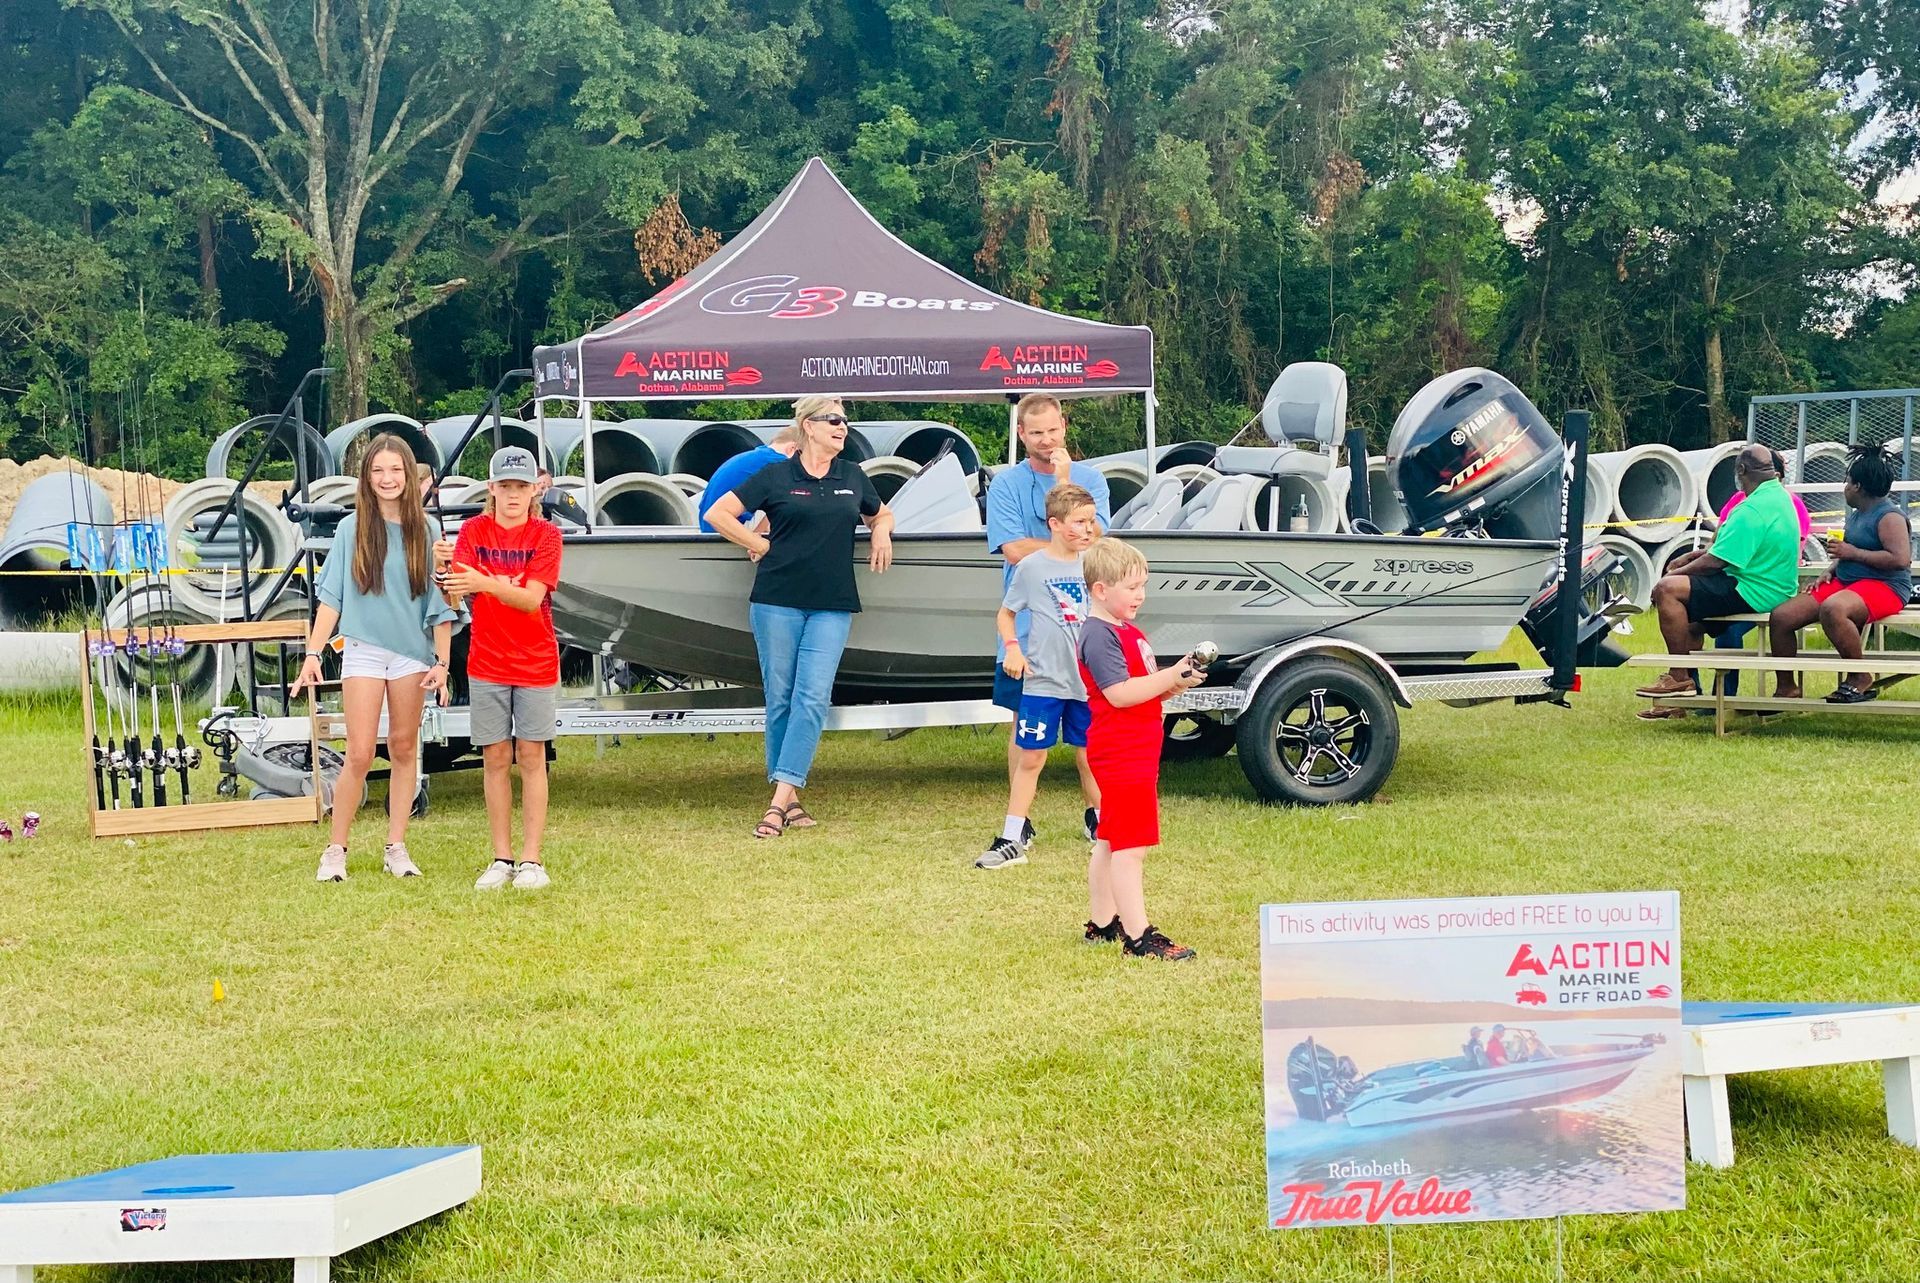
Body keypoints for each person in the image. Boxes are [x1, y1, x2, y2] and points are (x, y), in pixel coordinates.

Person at [706, 397, 896, 839]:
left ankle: (777, 803)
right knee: (781, 699)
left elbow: (880, 511)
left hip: (833, 603)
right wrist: (761, 544)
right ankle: (789, 801)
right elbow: (717, 513)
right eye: (833, 420)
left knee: (812, 698)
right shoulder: (776, 475)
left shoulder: (852, 474)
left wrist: (882, 531)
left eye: (845, 421)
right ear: (808, 426)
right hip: (776, 600)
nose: (842, 427)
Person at [292, 434, 456, 882]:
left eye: (396, 470)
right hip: (363, 652)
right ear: (366, 477)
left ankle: (395, 847)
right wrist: (313, 652)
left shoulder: (429, 531)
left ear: (410, 476)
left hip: (411, 656)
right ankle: (335, 850)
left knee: (404, 748)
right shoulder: (351, 529)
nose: (387, 479)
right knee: (360, 753)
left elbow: (442, 605)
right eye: (378, 470)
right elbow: (331, 599)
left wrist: (442, 663)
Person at [985, 393, 1112, 852]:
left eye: (1053, 430)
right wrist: (1066, 545)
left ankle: (1098, 816)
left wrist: (1064, 482)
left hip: (1085, 636)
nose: (1046, 440)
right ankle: (1020, 823)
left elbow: (1101, 543)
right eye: (1036, 432)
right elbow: (1013, 550)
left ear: (1064, 427)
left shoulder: (1092, 479)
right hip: (1027, 632)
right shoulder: (1005, 485)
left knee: (1091, 736)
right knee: (1025, 732)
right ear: (1021, 434)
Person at [441, 446, 565, 890]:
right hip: (486, 660)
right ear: (491, 488)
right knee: (494, 757)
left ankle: (532, 859)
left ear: (535, 490)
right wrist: (442, 571)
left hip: (535, 660)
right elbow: (453, 596)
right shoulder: (473, 530)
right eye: (505, 486)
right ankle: (501, 858)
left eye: (521, 486)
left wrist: (482, 582)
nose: (513, 495)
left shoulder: (547, 535)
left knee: (532, 755)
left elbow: (531, 599)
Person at [1075, 536, 1205, 960]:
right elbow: (1119, 694)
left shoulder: (1127, 631)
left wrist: (1175, 682)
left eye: (1142, 585)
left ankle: (1102, 923)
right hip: (1122, 750)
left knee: (1110, 838)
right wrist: (1170, 675)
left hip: (1135, 747)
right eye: (1131, 587)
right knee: (1131, 847)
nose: (1140, 595)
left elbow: (1142, 689)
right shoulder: (1099, 635)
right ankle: (1139, 937)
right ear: (1100, 589)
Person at [977, 483, 1099, 869]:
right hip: (1043, 681)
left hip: (1088, 683)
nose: (1088, 529)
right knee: (1031, 757)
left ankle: (1104, 828)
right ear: (1055, 524)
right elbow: (1006, 614)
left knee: (1091, 756)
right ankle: (1012, 836)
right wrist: (1013, 648)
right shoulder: (1032, 567)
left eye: (1091, 521)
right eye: (1079, 522)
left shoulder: (1098, 564)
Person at [1636, 445, 1801, 706]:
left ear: (1741, 470)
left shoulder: (1752, 509)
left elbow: (1716, 562)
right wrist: (1694, 556)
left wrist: (1670, 576)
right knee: (1688, 624)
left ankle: (1678, 676)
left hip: (1753, 589)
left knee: (1668, 590)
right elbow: (1729, 549)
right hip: (1768, 585)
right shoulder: (1779, 497)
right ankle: (1681, 701)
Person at [1770, 445, 1912, 703]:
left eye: (1847, 482)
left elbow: (1900, 559)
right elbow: (1850, 551)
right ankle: (1787, 687)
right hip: (1848, 582)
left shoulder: (1889, 517)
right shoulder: (1858, 514)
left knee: (1833, 608)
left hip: (1885, 586)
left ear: (1858, 486)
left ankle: (1859, 676)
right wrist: (1830, 569)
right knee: (1782, 617)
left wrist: (1852, 553)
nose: (1844, 487)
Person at [699, 428, 799, 533]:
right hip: (727, 525)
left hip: (708, 524)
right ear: (792, 448)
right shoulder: (778, 462)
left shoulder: (755, 456)